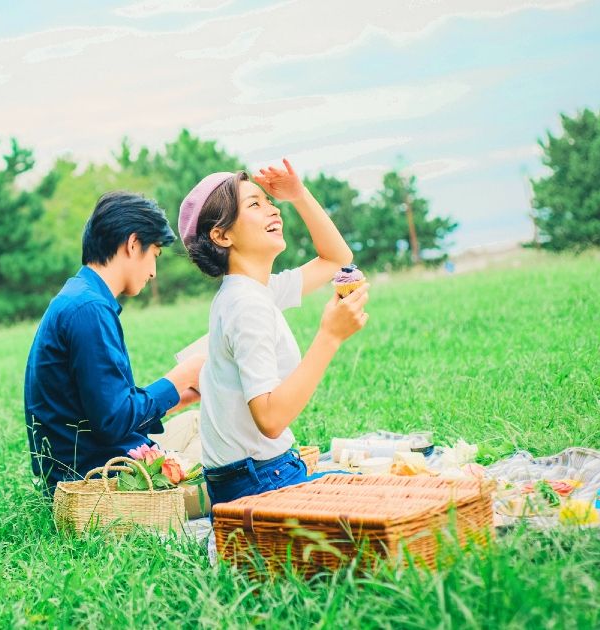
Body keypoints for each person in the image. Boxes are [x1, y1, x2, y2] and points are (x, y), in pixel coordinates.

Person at [177, 160, 369, 506]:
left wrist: (298, 194)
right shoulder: (246, 305)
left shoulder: (255, 290)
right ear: (222, 235)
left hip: (255, 475)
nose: (272, 209)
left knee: (368, 484)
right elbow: (270, 419)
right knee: (377, 496)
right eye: (254, 204)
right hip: (258, 481)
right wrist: (330, 336)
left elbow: (337, 257)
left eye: (269, 201)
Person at [24, 191, 205, 494]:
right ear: (133, 244)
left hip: (98, 460)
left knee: (198, 424)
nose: (153, 272)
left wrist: (178, 396)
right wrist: (180, 376)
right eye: (154, 256)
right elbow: (113, 421)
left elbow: (104, 410)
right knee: (228, 464)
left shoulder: (81, 297)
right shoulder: (88, 309)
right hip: (98, 482)